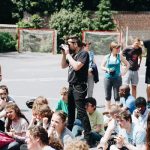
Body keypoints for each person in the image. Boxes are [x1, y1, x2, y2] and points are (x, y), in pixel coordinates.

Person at [60, 35, 92, 145]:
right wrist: (65, 54)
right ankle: (68, 134)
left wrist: (68, 54)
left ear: (76, 44)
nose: (68, 45)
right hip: (71, 85)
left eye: (69, 43)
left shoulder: (84, 53)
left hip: (79, 86)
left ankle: (88, 137)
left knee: (82, 112)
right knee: (71, 111)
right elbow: (63, 66)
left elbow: (77, 66)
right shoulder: (72, 54)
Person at [101, 41, 130, 111]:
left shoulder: (119, 56)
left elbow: (128, 64)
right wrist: (107, 69)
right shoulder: (107, 57)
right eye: (116, 48)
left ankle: (117, 112)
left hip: (117, 78)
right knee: (107, 96)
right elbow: (102, 66)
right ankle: (107, 111)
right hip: (107, 78)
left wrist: (123, 72)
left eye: (118, 48)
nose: (118, 49)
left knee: (117, 96)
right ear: (112, 48)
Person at [141, 40, 150, 108]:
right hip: (149, 66)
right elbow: (139, 43)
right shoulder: (148, 42)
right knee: (149, 85)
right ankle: (148, 100)